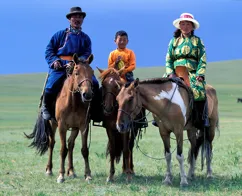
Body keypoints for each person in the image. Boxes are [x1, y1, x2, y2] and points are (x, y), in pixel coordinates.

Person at [42, 6, 102, 123]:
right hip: (60, 67)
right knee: (50, 86)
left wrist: (77, 62)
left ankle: (94, 112)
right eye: (75, 16)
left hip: (79, 67)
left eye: (80, 17)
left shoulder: (85, 38)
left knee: (94, 83)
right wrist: (55, 61)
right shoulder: (60, 35)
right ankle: (46, 108)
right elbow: (49, 50)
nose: (77, 19)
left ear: (82, 20)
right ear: (69, 19)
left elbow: (87, 53)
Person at [152, 13, 209, 128]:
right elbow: (168, 58)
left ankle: (201, 118)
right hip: (175, 72)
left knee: (199, 91)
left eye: (188, 24)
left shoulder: (198, 41)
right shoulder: (174, 41)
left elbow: (202, 58)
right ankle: (159, 117)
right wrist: (170, 72)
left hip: (191, 73)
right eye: (183, 24)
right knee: (159, 90)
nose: (185, 26)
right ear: (179, 26)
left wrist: (200, 74)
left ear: (192, 27)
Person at [108, 30, 148, 128]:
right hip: (116, 77)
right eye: (120, 40)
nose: (122, 42)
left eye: (124, 40)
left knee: (137, 92)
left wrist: (124, 71)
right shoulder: (112, 53)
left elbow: (133, 65)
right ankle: (105, 111)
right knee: (106, 90)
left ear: (127, 41)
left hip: (128, 76)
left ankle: (141, 119)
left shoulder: (130, 52)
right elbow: (109, 67)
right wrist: (115, 64)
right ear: (115, 41)